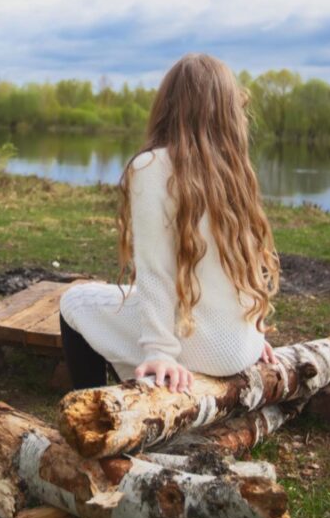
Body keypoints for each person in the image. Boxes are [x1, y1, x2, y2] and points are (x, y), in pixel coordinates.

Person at [58, 53, 281, 393]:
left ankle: (92, 402)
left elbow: (155, 271)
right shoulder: (234, 171)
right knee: (134, 299)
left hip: (199, 348)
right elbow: (247, 263)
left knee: (74, 302)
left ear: (168, 105)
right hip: (239, 347)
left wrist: (159, 351)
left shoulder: (152, 166)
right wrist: (251, 335)